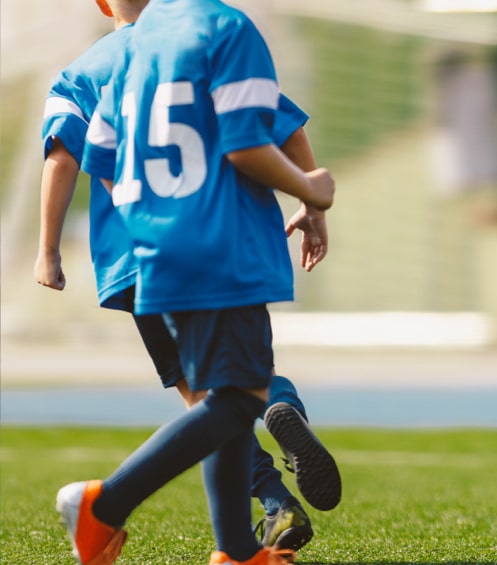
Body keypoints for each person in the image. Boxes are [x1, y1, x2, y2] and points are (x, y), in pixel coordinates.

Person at [35, 0, 341, 554]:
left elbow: (93, 154)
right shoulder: (222, 29)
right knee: (238, 395)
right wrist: (311, 190)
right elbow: (256, 138)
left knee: (214, 394)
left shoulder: (124, 54)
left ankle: (239, 546)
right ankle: (103, 504)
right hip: (222, 238)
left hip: (149, 250)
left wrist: (72, 241)